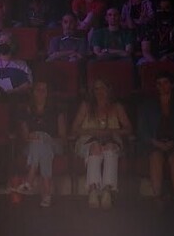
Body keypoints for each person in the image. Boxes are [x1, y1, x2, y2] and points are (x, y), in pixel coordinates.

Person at [71, 79, 132, 210]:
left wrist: (111, 131)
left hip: (111, 139)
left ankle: (107, 191)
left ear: (108, 90)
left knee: (110, 148)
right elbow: (74, 129)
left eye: (102, 88)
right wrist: (93, 131)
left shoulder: (116, 107)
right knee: (95, 148)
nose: (99, 92)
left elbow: (128, 129)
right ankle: (93, 190)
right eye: (96, 89)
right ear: (92, 92)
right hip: (88, 140)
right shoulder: (86, 106)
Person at [137, 73, 174, 204]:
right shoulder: (148, 105)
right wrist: (154, 142)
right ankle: (157, 198)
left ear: (172, 85)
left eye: (165, 82)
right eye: (159, 83)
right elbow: (142, 129)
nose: (162, 86)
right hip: (155, 142)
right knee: (156, 156)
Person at [14, 80, 66, 208]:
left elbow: (62, 136)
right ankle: (46, 191)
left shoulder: (56, 110)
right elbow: (25, 136)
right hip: (30, 146)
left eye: (44, 90)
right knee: (40, 144)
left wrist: (45, 138)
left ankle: (30, 178)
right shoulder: (25, 110)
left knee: (42, 139)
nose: (41, 93)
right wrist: (33, 137)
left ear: (48, 93)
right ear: (33, 92)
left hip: (54, 145)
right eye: (38, 90)